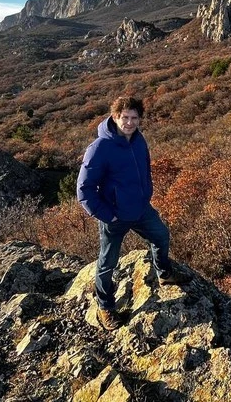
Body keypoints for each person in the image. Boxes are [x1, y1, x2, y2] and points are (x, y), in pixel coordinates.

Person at [76, 96, 182, 330]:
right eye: (125, 117)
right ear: (115, 117)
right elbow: (84, 190)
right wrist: (107, 215)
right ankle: (105, 307)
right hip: (114, 216)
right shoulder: (100, 147)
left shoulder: (138, 140)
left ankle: (163, 273)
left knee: (161, 236)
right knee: (107, 263)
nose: (130, 123)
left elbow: (144, 169)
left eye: (134, 118)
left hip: (140, 208)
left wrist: (146, 196)